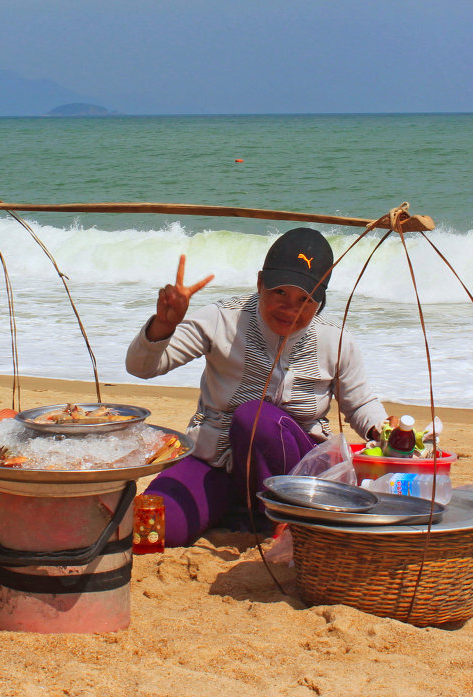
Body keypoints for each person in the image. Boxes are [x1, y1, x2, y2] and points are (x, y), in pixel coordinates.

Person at [126, 227, 388, 546]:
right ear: (261, 282)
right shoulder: (222, 319)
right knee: (150, 530)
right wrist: (164, 325)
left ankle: (277, 516)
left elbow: (360, 405)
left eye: (305, 299)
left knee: (255, 418)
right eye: (280, 292)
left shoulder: (336, 340)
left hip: (298, 474)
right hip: (216, 463)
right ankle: (240, 508)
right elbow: (142, 366)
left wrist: (386, 433)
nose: (290, 309)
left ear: (320, 301)